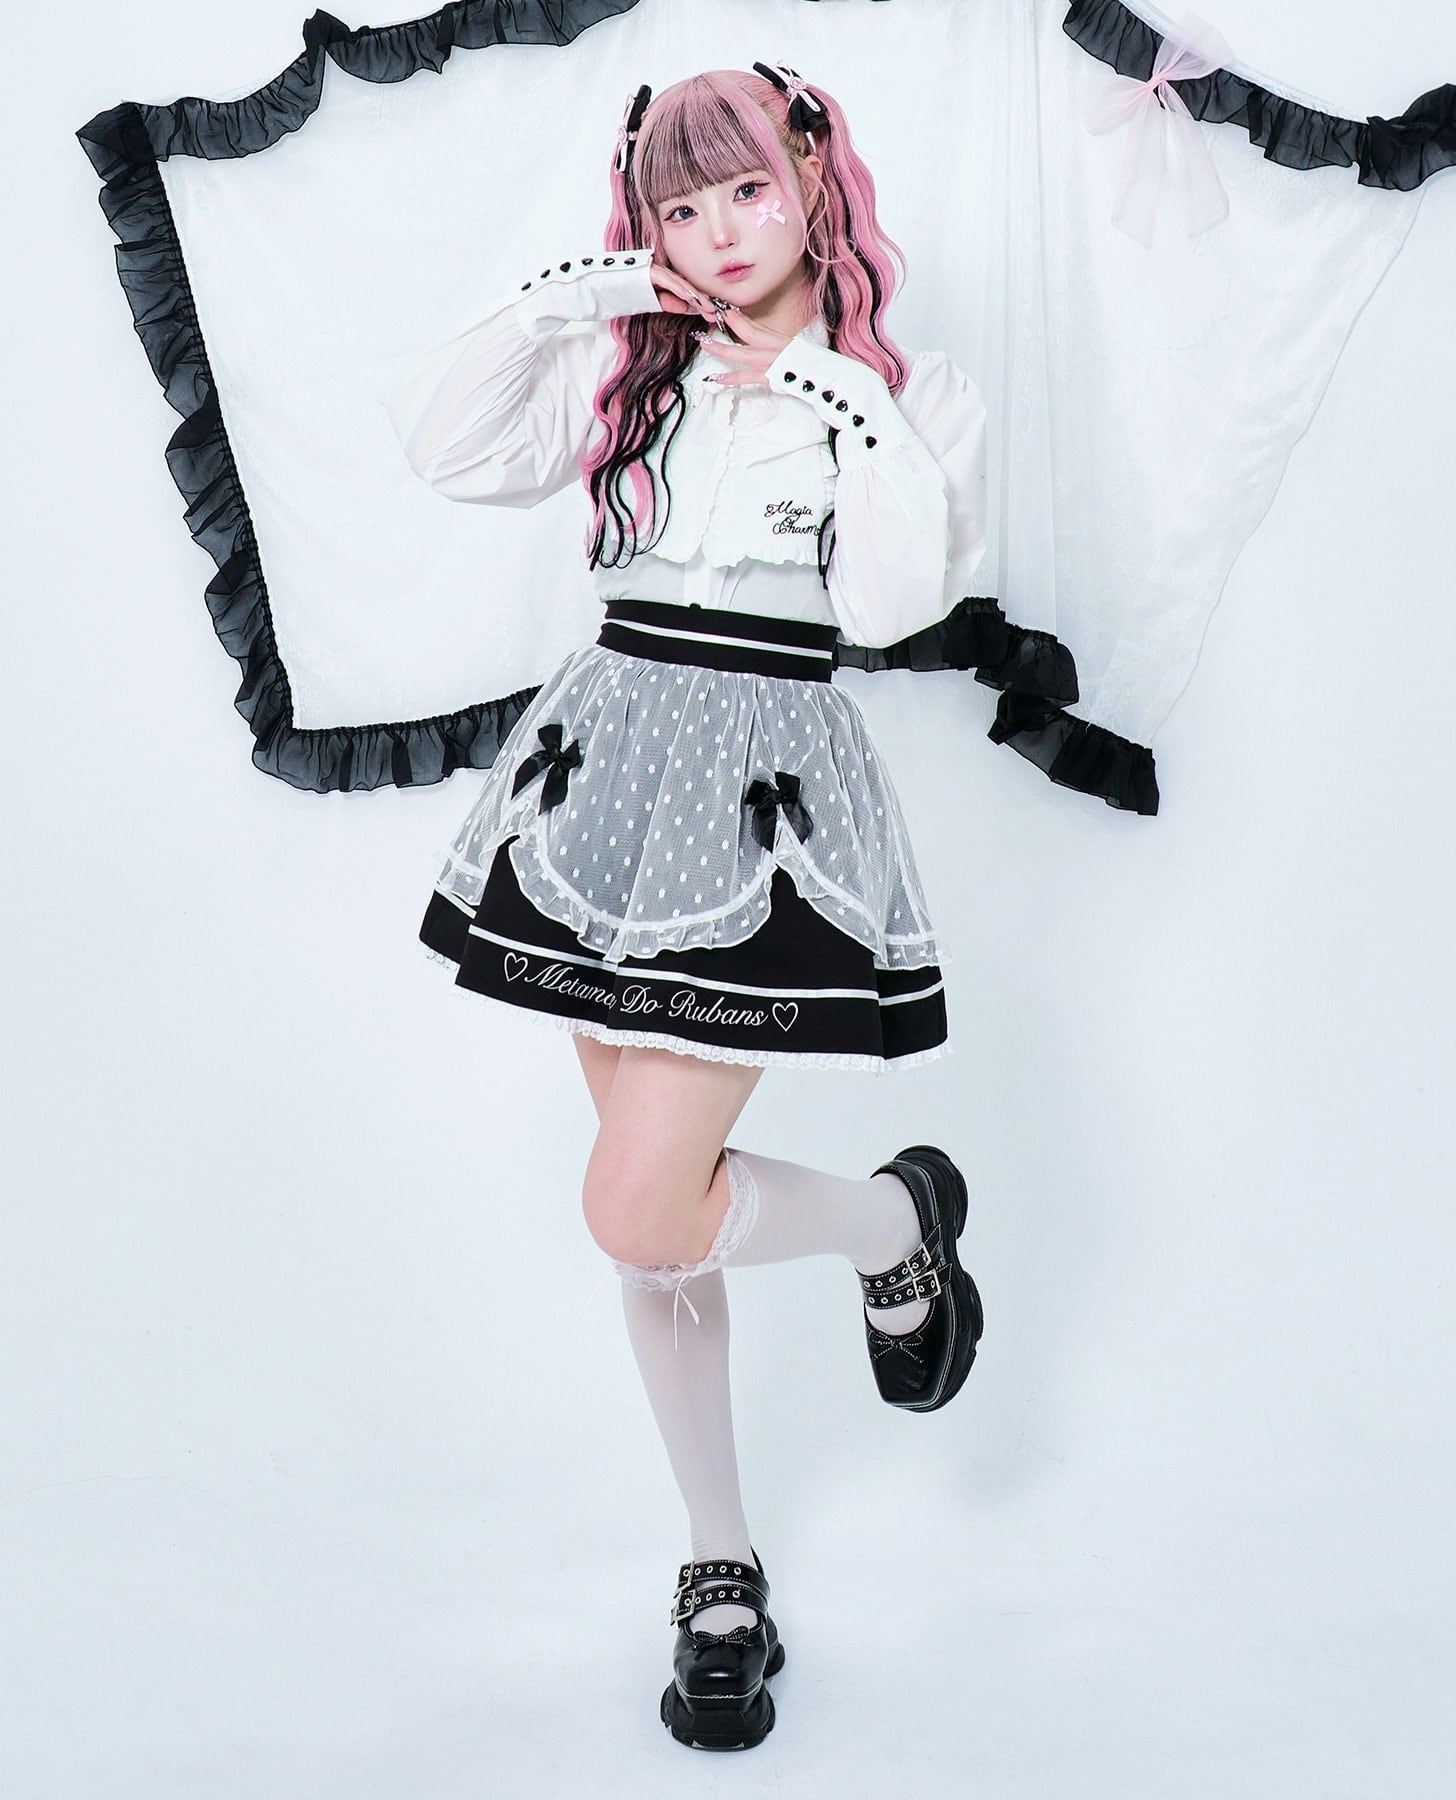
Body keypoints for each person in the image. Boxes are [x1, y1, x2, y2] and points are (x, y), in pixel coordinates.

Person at [379, 61, 988, 1752]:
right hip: (605, 766)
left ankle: (891, 1226)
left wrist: (831, 390)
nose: (718, 232)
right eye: (680, 202)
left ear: (813, 181)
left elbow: (897, 600)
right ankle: (721, 1563)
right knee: (658, 1214)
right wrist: (566, 301)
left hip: (761, 790)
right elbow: (438, 444)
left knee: (640, 1204)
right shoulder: (633, 373)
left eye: (745, 191)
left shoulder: (909, 391)